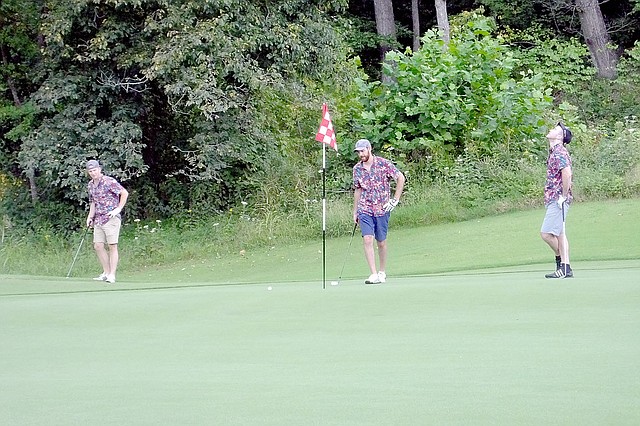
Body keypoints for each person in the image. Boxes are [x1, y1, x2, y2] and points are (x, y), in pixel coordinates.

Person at [352, 139, 405, 284]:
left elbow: (400, 178)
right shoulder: (357, 169)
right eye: (358, 152)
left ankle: (382, 272)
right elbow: (358, 189)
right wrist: (355, 211)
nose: (361, 155)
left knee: (381, 242)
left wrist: (395, 199)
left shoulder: (383, 163)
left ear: (369, 149)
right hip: (365, 208)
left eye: (363, 151)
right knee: (367, 239)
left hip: (382, 208)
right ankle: (373, 273)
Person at [85, 160, 129, 284]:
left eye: (95, 170)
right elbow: (93, 202)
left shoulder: (109, 181)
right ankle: (106, 272)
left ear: (99, 169)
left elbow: (124, 193)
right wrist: (90, 217)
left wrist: (118, 209)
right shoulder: (91, 185)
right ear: (88, 172)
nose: (93, 173)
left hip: (111, 217)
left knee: (112, 246)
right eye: (91, 171)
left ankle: (112, 275)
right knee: (98, 246)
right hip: (98, 218)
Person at [540, 122, 573, 279]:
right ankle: (565, 267)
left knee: (546, 233)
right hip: (555, 197)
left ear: (560, 137)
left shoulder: (559, 151)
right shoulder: (554, 151)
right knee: (559, 234)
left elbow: (566, 173)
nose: (551, 130)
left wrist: (563, 196)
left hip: (558, 198)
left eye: (555, 130)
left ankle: (562, 262)